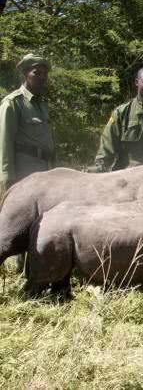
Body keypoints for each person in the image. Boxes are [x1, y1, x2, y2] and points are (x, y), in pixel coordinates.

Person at [0, 53, 55, 272]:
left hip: (44, 171)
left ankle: (38, 266)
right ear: (25, 74)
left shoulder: (42, 104)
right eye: (36, 73)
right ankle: (20, 270)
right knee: (22, 222)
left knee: (42, 221)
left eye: (44, 74)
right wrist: (7, 180)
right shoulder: (13, 103)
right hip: (23, 171)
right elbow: (4, 145)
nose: (42, 77)